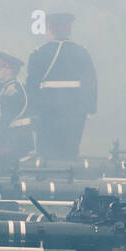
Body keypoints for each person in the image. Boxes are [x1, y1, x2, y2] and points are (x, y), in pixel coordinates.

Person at [26, 12, 97, 161]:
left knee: (46, 151)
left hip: (47, 109)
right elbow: (90, 83)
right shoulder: (82, 52)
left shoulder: (39, 53)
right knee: (70, 150)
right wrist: (89, 108)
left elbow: (32, 85)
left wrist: (32, 111)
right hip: (75, 109)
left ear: (50, 29)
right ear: (69, 30)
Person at [0, 52, 35, 175]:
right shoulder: (7, 87)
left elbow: (4, 120)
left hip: (16, 141)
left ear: (8, 70)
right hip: (11, 138)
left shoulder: (13, 91)